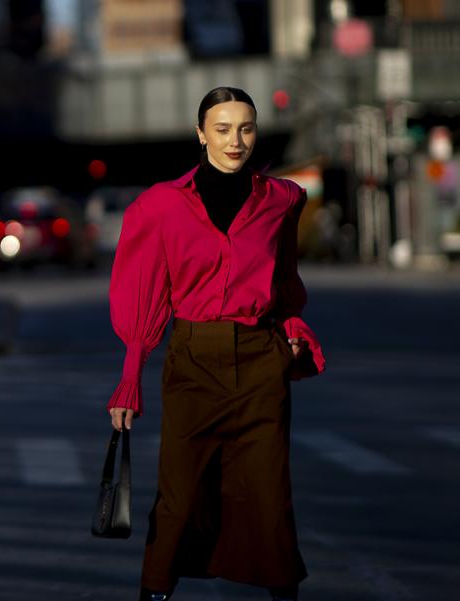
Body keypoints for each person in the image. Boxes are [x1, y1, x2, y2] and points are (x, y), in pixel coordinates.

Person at [106, 86, 326, 601]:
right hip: (191, 361)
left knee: (270, 497)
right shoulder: (160, 206)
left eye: (246, 128)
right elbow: (143, 292)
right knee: (179, 498)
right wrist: (129, 379)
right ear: (201, 133)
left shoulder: (283, 200)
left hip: (259, 361)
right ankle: (155, 593)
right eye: (223, 129)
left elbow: (286, 284)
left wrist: (291, 333)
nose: (236, 140)